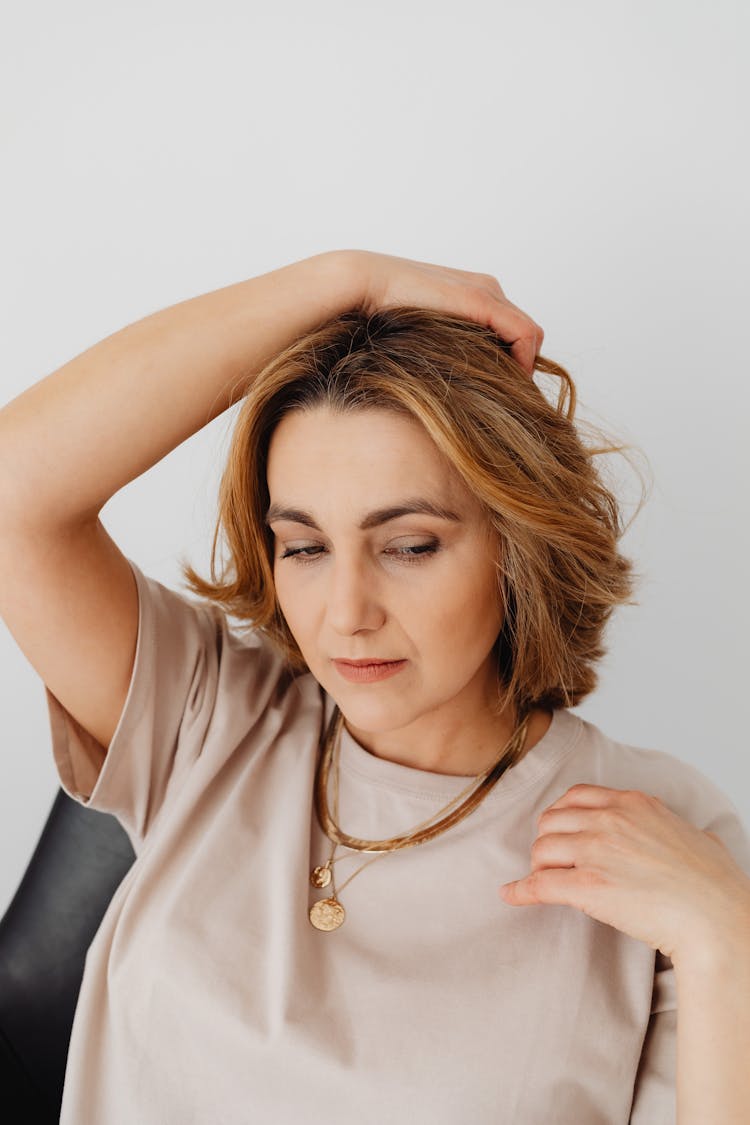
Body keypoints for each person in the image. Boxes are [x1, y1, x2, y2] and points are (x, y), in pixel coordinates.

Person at [0, 249, 748, 1124]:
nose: (347, 613)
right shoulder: (211, 714)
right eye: (306, 547)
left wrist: (726, 945)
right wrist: (345, 281)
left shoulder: (662, 832)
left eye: (409, 545)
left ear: (518, 545)